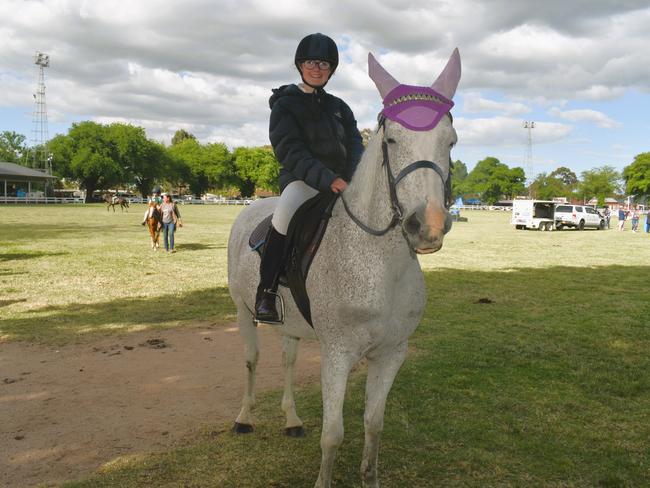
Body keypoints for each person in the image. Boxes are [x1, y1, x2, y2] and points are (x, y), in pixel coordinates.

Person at [254, 32, 364, 324]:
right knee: (284, 215)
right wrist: (329, 179)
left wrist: (351, 178)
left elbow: (356, 147)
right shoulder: (285, 104)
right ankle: (266, 293)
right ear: (300, 65)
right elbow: (290, 150)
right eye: (311, 62)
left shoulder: (341, 108)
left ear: (332, 70)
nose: (317, 68)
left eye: (325, 64)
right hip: (302, 180)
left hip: (342, 182)